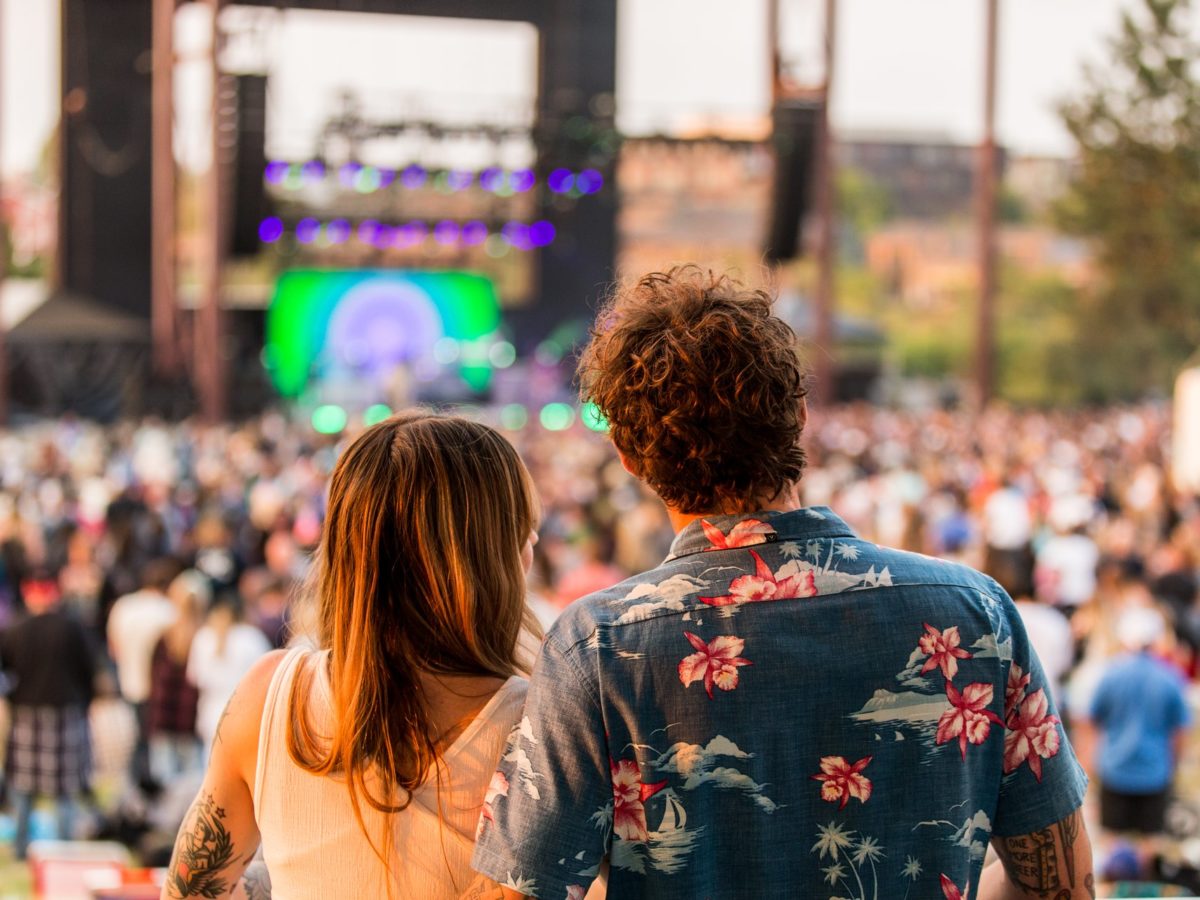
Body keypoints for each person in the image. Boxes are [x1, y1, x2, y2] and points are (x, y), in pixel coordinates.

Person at [468, 268, 1094, 899]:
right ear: (798, 416)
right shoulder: (975, 612)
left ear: (628, 456)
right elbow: (1063, 885)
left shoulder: (597, 649)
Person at [161, 412, 540, 898]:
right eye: (523, 534)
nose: (530, 550)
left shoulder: (270, 696)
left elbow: (190, 890)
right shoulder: (543, 724)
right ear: (497, 559)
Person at [0, 568, 100, 859]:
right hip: (66, 712)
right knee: (64, 792)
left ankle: (22, 850)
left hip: (27, 715)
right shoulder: (72, 627)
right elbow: (90, 670)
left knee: (24, 791)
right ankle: (62, 850)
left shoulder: (16, 628)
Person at [1081, 606, 1189, 873]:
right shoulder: (1170, 677)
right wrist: (1172, 764)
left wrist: (1089, 764)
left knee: (1112, 845)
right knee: (1151, 846)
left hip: (1115, 769)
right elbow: (1180, 731)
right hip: (1154, 772)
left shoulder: (1110, 674)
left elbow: (1090, 722)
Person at [146, 570, 209, 785]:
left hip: (165, 720)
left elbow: (153, 680)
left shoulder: (165, 636)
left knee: (166, 786)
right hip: (191, 722)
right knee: (193, 786)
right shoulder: (206, 637)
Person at [187, 594, 271, 752]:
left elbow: (195, 678)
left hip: (218, 714)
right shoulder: (250, 637)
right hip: (241, 714)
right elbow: (266, 677)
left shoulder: (204, 638)